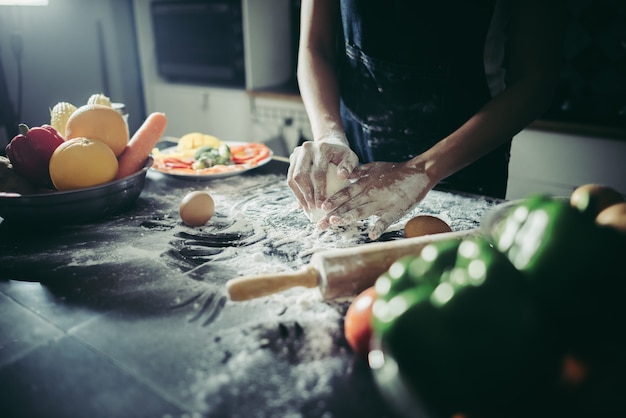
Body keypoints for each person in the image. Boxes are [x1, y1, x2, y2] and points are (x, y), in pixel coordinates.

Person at [287, 0, 564, 240]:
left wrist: (422, 170)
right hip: (355, 149)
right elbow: (315, 47)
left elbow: (536, 82)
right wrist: (328, 133)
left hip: (463, 159)